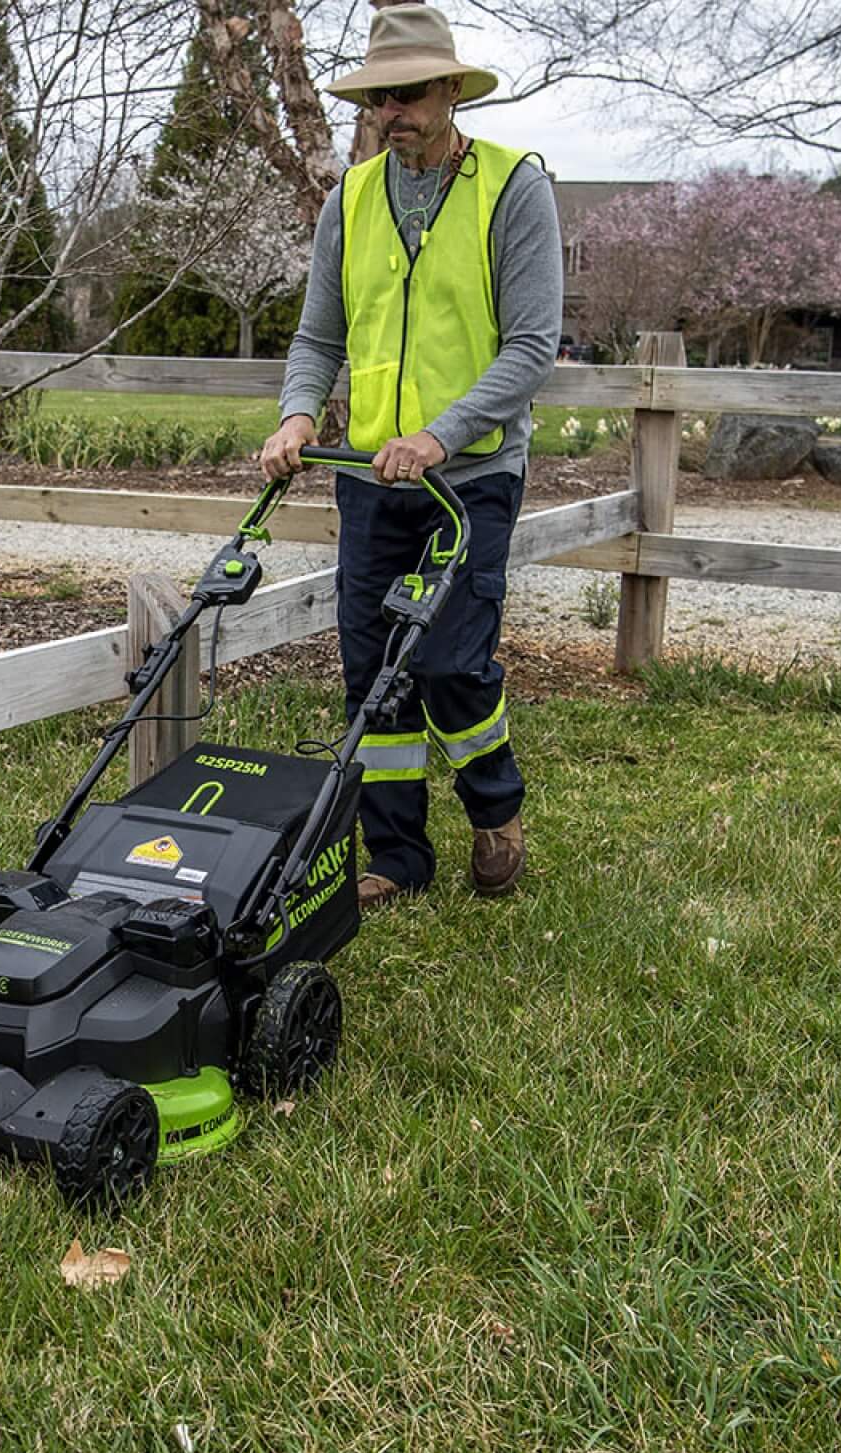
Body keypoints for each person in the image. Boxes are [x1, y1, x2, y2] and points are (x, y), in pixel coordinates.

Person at [257, 3, 562, 910]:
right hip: (369, 480)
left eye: (410, 94)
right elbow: (317, 339)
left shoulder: (514, 190)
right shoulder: (349, 200)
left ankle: (494, 806)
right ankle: (396, 855)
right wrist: (298, 416)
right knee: (372, 671)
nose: (394, 112)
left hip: (469, 477)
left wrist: (443, 434)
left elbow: (533, 345)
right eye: (379, 97)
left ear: (451, 90)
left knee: (449, 663)